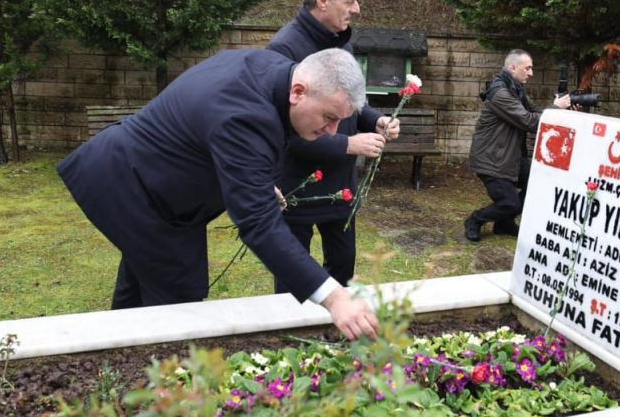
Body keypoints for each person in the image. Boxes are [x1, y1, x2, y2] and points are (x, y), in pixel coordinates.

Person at [57, 47, 380, 340]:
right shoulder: (247, 115)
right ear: (298, 92)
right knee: (176, 307)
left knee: (140, 292)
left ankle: (114, 371)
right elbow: (258, 223)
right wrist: (335, 298)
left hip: (145, 183)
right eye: (329, 117)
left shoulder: (270, 70)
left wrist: (254, 179)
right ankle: (160, 390)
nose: (333, 131)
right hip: (133, 189)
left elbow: (216, 136)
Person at [267, 0, 399, 295]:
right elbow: (285, 133)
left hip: (341, 188)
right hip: (297, 186)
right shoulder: (283, 49)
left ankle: (335, 336)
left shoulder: (343, 43)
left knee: (343, 269)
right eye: (350, 1)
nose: (356, 9)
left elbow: (353, 103)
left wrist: (376, 119)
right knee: (293, 281)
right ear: (323, 0)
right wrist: (349, 145)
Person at [464, 49, 571, 242]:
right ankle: (476, 219)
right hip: (492, 159)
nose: (531, 73)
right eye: (527, 68)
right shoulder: (501, 93)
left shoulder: (516, 89)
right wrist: (556, 108)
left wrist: (562, 109)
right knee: (509, 203)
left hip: (511, 156)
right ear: (513, 68)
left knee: (539, 184)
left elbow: (537, 112)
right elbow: (530, 122)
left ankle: (504, 223)